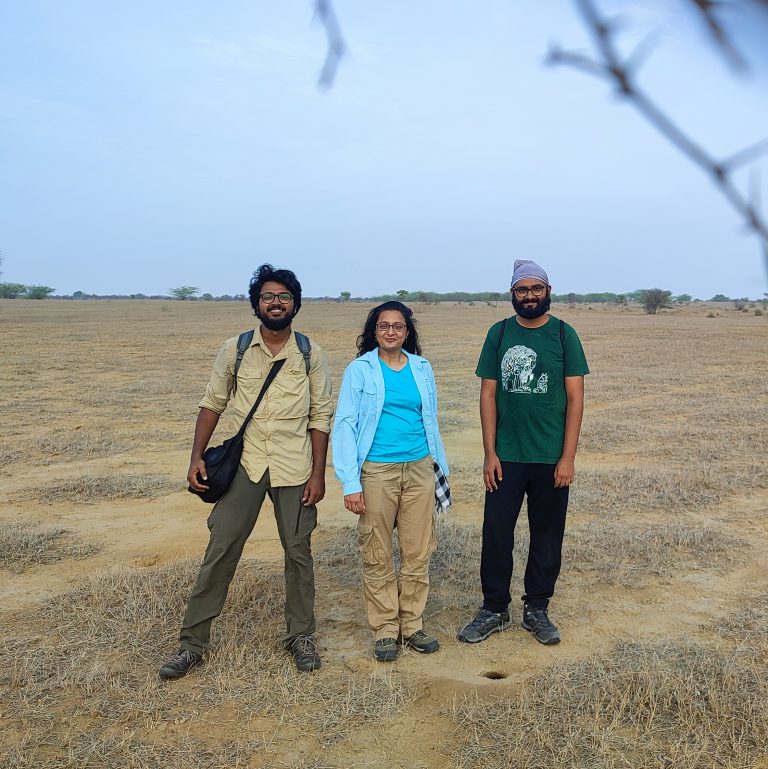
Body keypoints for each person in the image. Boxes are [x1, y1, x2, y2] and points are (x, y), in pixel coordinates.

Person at [159, 264, 333, 678]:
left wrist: (319, 474)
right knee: (221, 550)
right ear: (256, 304)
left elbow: (320, 414)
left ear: (296, 305)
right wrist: (195, 456)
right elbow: (212, 403)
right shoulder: (235, 348)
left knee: (298, 553)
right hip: (246, 465)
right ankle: (191, 644)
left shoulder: (310, 352)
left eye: (284, 297)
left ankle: (301, 637)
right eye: (268, 297)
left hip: (294, 468)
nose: (276, 303)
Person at [457, 259, 589, 646]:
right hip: (507, 456)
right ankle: (494, 608)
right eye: (522, 290)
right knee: (497, 532)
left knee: (547, 534)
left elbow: (576, 398)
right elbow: (488, 394)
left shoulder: (564, 335)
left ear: (548, 291)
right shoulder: (499, 334)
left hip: (550, 457)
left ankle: (537, 609)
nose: (529, 296)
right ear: (511, 293)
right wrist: (489, 452)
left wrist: (568, 457)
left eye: (536, 289)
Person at [332, 301, 449, 661]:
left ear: (408, 332)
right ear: (374, 331)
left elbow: (430, 420)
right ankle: (385, 628)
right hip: (377, 472)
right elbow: (345, 425)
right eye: (384, 326)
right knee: (377, 550)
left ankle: (412, 624)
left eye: (398, 326)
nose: (391, 332)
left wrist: (436, 466)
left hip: (418, 468)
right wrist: (350, 482)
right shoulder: (360, 370)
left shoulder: (421, 368)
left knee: (417, 550)